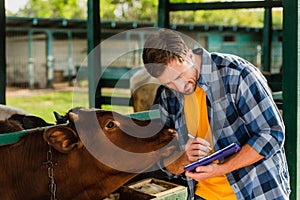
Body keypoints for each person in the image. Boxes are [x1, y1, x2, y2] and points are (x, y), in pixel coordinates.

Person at [142, 29, 290, 200]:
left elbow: (272, 134)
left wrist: (221, 169)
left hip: (256, 192)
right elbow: (166, 162)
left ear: (189, 55)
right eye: (169, 83)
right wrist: (184, 158)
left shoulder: (237, 74)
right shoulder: (167, 96)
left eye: (181, 75)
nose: (180, 87)